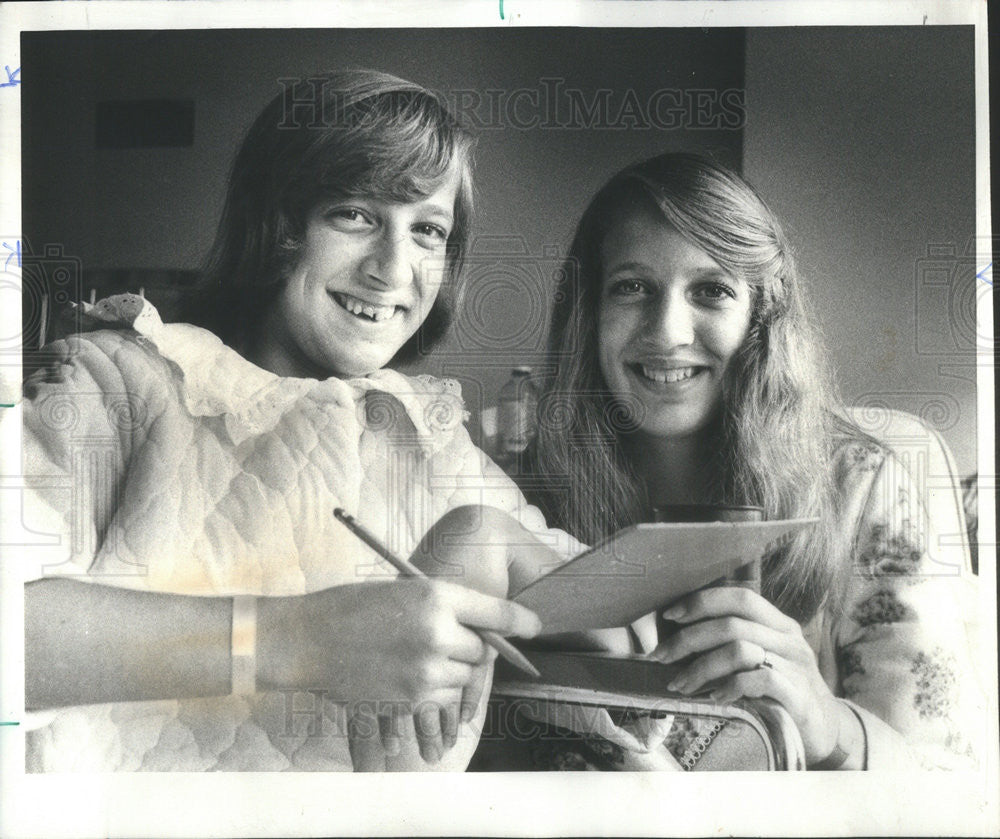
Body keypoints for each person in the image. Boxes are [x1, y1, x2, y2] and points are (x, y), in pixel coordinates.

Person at [19, 69, 578, 772]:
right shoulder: (118, 380)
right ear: (277, 221)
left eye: (428, 231)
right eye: (356, 214)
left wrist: (484, 531)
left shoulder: (429, 433)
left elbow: (609, 603)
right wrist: (301, 640)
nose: (392, 269)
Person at [524, 152, 983, 770]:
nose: (667, 332)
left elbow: (949, 790)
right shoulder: (526, 492)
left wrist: (826, 721)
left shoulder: (863, 488)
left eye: (711, 290)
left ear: (762, 315)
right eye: (631, 287)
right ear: (588, 314)